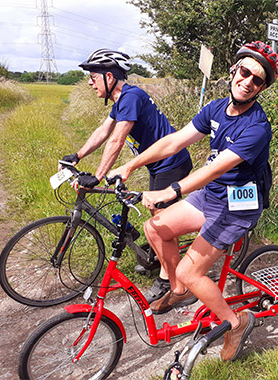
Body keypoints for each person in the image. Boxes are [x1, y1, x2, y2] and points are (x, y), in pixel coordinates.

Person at [108, 41, 278, 361]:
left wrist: (172, 191)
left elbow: (215, 168)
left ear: (261, 88)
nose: (248, 82)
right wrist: (130, 165)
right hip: (212, 195)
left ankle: (235, 322)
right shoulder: (215, 108)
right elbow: (174, 141)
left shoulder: (257, 127)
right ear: (233, 70)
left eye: (258, 80)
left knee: (192, 271)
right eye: (245, 72)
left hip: (236, 205)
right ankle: (177, 289)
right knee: (155, 227)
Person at [63, 48, 194, 303]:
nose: (90, 83)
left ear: (109, 77)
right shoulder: (122, 99)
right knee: (157, 218)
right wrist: (77, 156)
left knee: (162, 223)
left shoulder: (131, 97)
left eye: (92, 77)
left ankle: (172, 280)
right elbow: (104, 131)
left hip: (172, 162)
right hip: (158, 164)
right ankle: (162, 259)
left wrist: (98, 176)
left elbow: (116, 141)